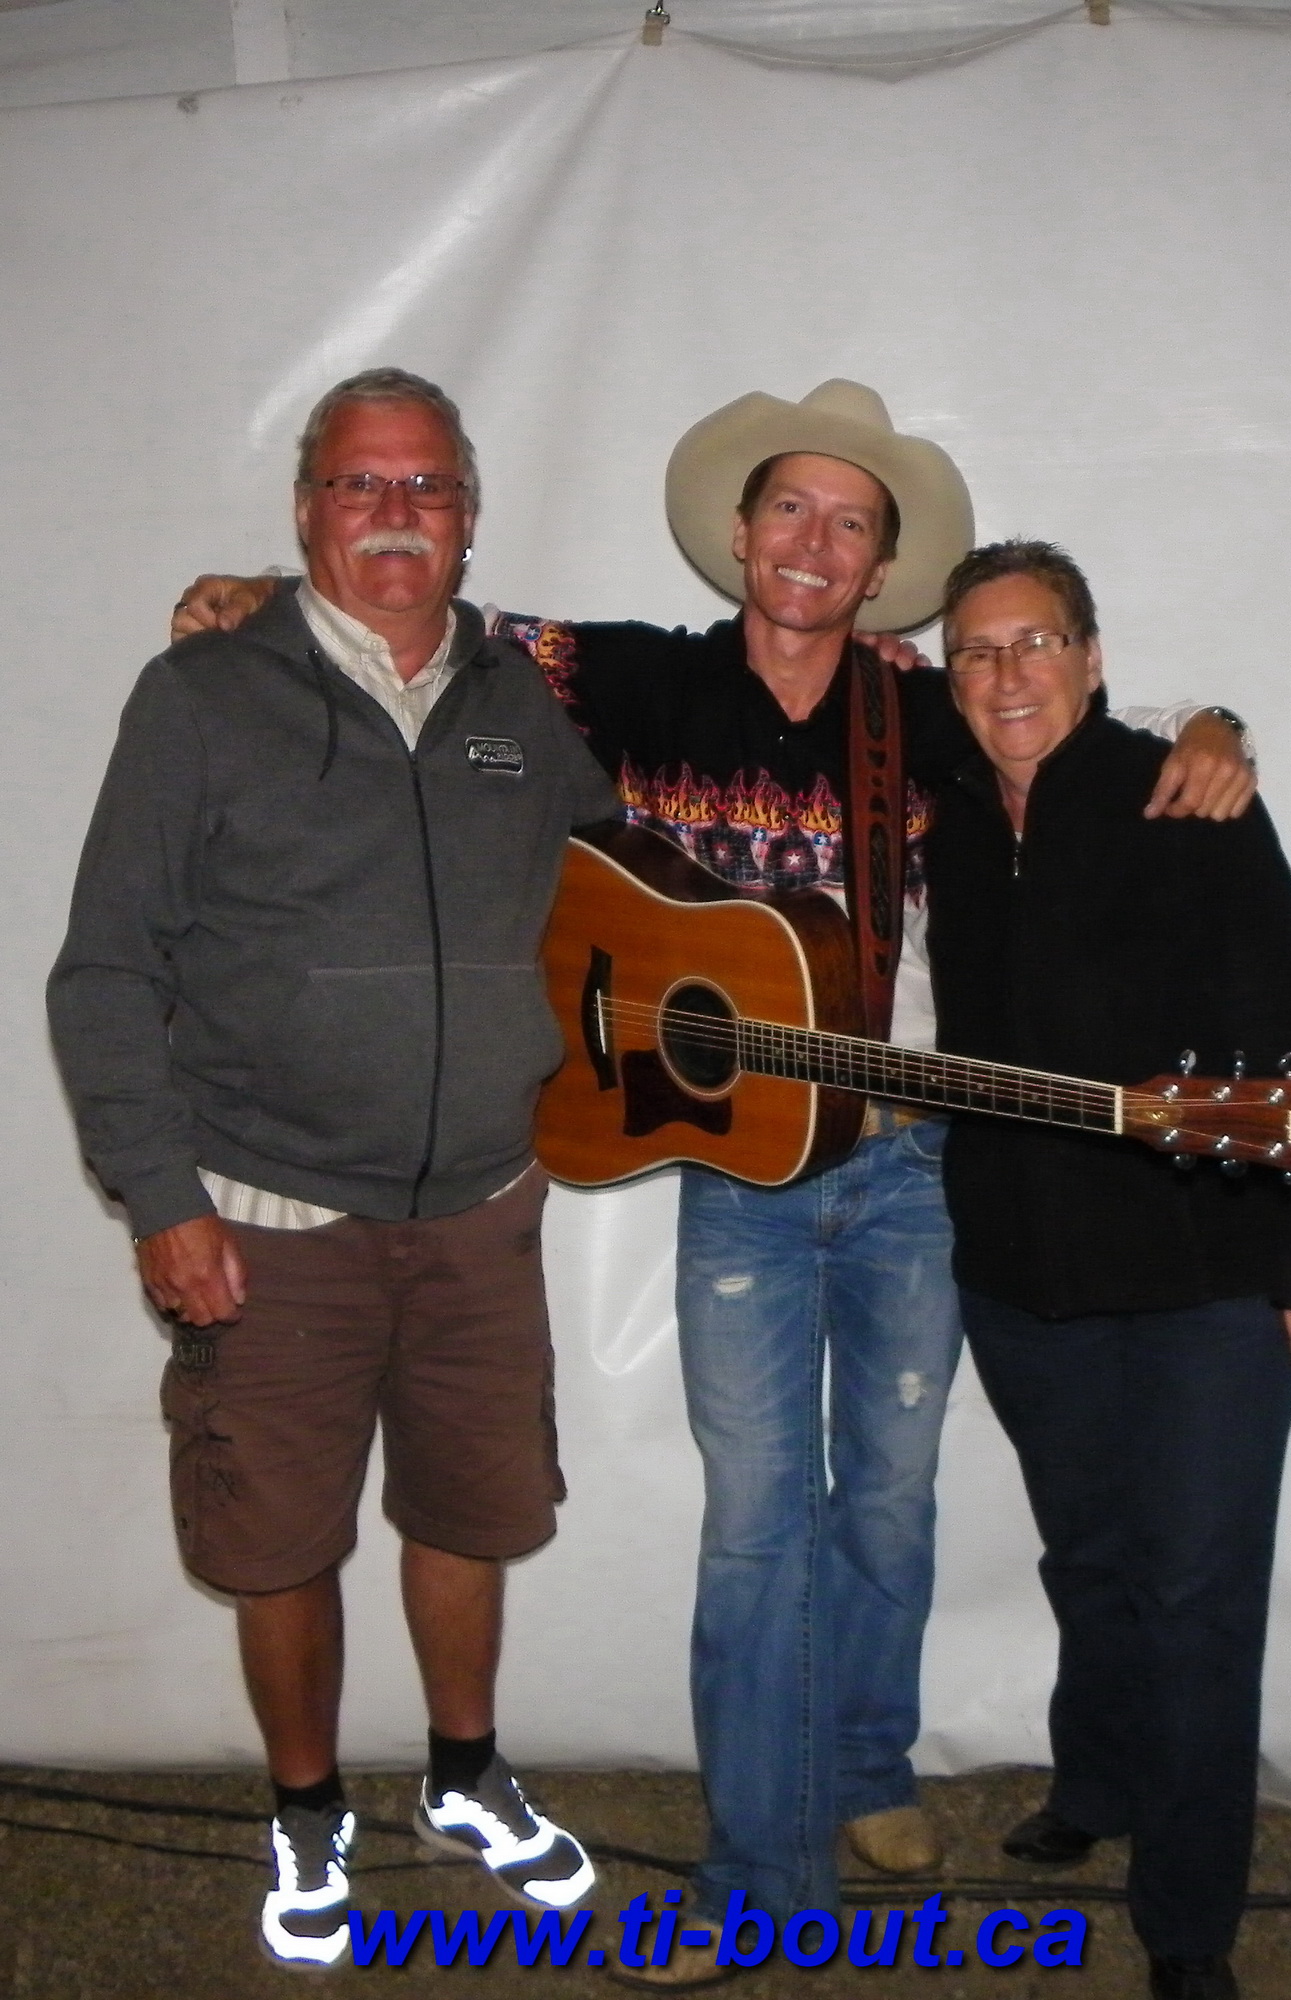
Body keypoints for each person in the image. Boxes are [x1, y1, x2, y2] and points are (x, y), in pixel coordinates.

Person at [170, 381, 1257, 1988]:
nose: (816, 542)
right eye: (790, 508)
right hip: (740, 1174)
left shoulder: (921, 708)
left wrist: (1211, 725)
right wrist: (264, 594)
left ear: (880, 565)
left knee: (889, 1502)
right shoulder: (632, 680)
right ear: (741, 536)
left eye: (851, 521)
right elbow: (433, 628)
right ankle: (760, 1866)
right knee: (757, 1523)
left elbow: (1057, 724)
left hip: (911, 1163)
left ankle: (869, 1770)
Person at [47, 368, 616, 1970]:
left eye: (426, 486)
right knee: (281, 1541)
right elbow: (104, 973)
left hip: (481, 1216)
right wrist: (163, 1199)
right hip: (268, 1223)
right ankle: (307, 1810)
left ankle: (464, 1775)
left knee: (467, 1514)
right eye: (360, 484)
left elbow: (637, 885)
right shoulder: (203, 697)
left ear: (468, 516)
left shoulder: (524, 707)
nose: (394, 514)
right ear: (306, 509)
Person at [922, 540, 1291, 2000]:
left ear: (1093, 658)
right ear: (947, 675)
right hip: (1023, 1280)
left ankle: (1187, 1924)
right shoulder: (944, 809)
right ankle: (1101, 1779)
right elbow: (775, 674)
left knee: (1194, 1598)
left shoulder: (1188, 799)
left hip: (1208, 1283)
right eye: (978, 651)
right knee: (1090, 1555)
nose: (1008, 674)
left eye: (1037, 643)